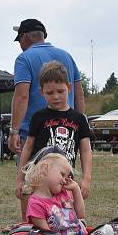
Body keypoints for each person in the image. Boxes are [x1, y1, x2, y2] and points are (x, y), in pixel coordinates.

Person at [15, 61, 92, 218]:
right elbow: (28, 147)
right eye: (50, 93)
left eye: (60, 91)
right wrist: (20, 179)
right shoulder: (38, 117)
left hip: (65, 181)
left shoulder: (79, 119)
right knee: (35, 218)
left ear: (69, 88)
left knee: (66, 219)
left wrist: (86, 178)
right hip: (39, 182)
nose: (56, 96)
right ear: (41, 91)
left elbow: (85, 150)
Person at [7, 19, 85, 160]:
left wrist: (14, 131)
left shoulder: (23, 59)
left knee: (32, 178)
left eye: (19, 40)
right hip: (67, 131)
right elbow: (79, 94)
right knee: (63, 179)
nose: (19, 45)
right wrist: (80, 129)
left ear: (24, 37)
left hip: (34, 133)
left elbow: (21, 96)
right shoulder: (67, 56)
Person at [23, 149, 87, 235]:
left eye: (67, 177)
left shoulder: (63, 194)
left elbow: (81, 215)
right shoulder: (36, 204)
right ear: (45, 169)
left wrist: (76, 189)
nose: (65, 180)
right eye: (62, 174)